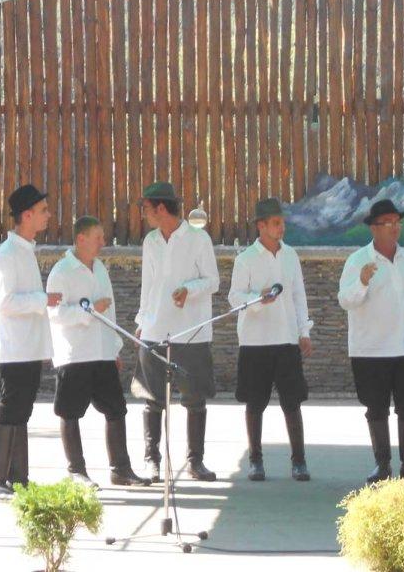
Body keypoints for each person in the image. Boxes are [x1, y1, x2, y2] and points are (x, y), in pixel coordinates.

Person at [47, 216, 150, 488]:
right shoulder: (61, 272)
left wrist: (114, 348)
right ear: (81, 239)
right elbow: (55, 314)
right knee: (70, 413)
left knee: (116, 410)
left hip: (102, 352)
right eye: (98, 237)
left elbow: (110, 312)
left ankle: (121, 470)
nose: (103, 242)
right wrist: (90, 310)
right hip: (75, 355)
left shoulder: (101, 268)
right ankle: (77, 472)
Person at [338, 199, 404, 483]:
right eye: (388, 223)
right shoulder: (357, 260)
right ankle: (382, 465)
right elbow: (345, 300)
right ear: (374, 228)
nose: (395, 227)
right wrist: (362, 282)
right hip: (370, 350)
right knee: (376, 408)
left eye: (397, 222)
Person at [133, 182, 220, 482]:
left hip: (191, 331)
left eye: (146, 207)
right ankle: (151, 461)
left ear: (161, 208)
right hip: (154, 329)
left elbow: (213, 281)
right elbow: (148, 285)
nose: (143, 213)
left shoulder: (199, 239)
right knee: (152, 399)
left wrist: (189, 289)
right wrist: (142, 320)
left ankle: (195, 462)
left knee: (195, 399)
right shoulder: (150, 241)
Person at [228, 198, 313, 482]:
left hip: (286, 339)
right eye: (276, 223)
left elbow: (299, 296)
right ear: (261, 226)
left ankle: (299, 461)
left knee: (293, 403)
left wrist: (304, 331)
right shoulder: (245, 259)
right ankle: (255, 461)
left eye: (282, 222)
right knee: (255, 403)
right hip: (254, 342)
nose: (281, 227)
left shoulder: (291, 256)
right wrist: (257, 298)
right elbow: (234, 297)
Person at [0, 184, 59, 498]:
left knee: (22, 410)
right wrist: (43, 299)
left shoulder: (25, 250)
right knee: (11, 407)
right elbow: (5, 302)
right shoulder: (6, 255)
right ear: (26, 215)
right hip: (14, 347)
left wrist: (42, 346)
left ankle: (17, 479)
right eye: (43, 211)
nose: (48, 215)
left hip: (27, 347)